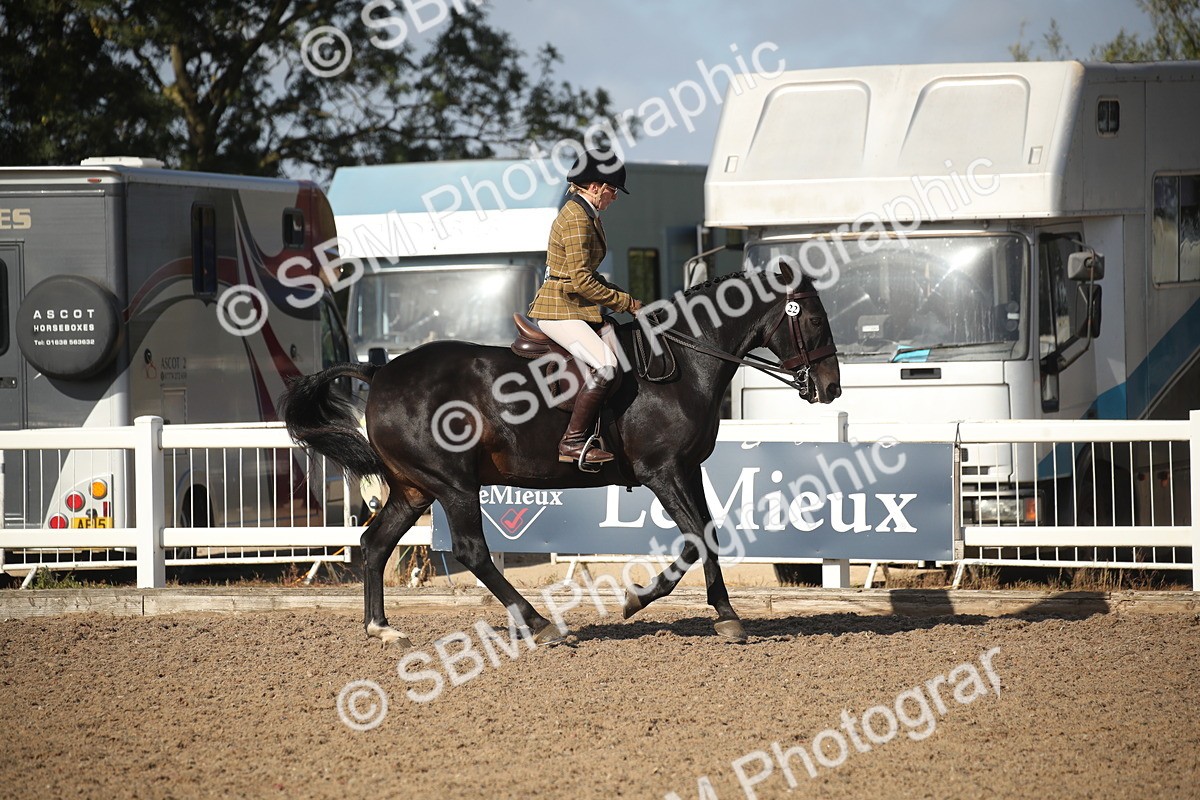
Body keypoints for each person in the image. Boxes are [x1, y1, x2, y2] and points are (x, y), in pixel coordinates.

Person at [528, 150, 643, 467]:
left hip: (573, 306)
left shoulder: (585, 213)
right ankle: (573, 442)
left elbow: (588, 276)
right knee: (606, 365)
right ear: (595, 186)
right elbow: (581, 281)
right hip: (560, 310)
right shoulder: (577, 218)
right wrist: (626, 303)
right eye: (612, 189)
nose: (614, 197)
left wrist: (626, 297)